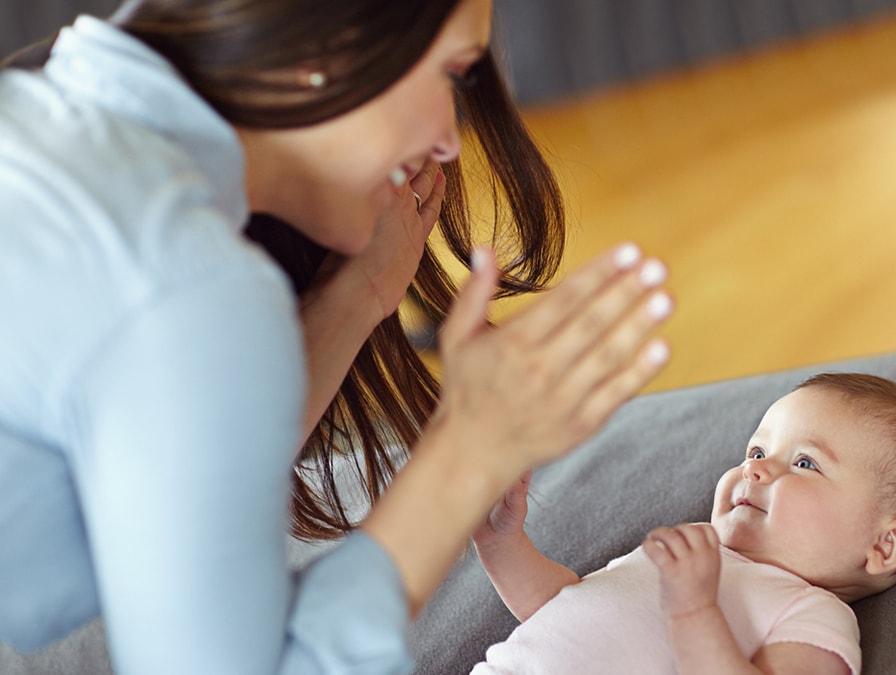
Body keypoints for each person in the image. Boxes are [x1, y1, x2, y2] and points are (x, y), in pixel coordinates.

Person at [0, 0, 674, 672]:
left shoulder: (48, 121)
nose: (448, 140)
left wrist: (356, 298)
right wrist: (468, 450)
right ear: (330, 44)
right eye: (450, 72)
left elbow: (163, 496)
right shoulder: (182, 281)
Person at [472, 373, 896, 674]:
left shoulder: (815, 615)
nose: (754, 467)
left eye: (804, 463)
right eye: (757, 450)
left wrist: (695, 610)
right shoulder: (691, 552)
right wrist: (501, 541)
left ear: (883, 546)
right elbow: (565, 606)